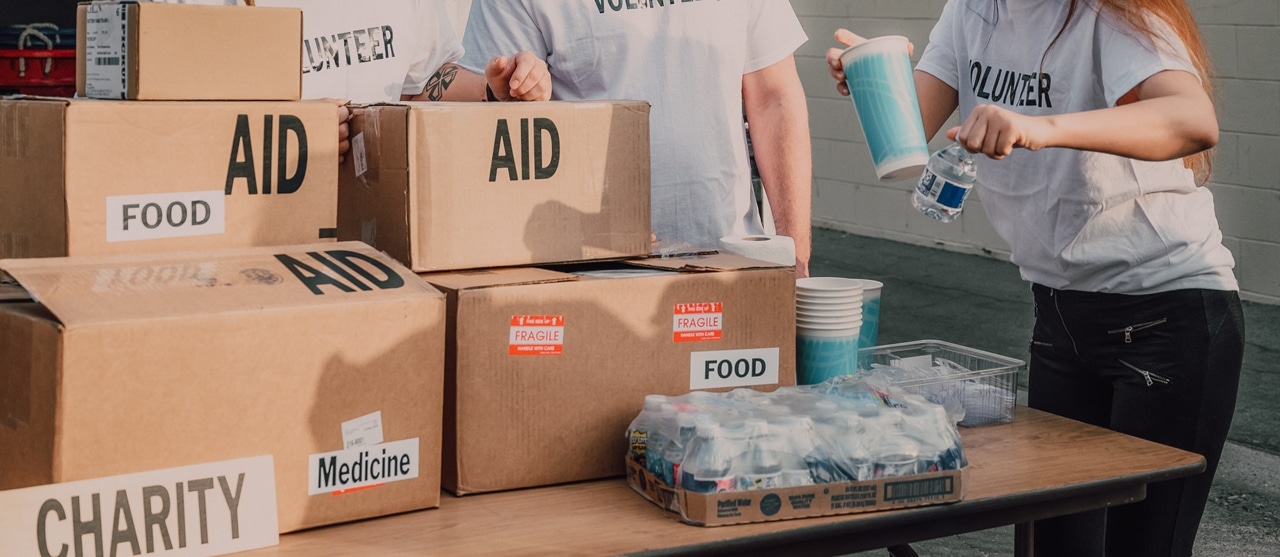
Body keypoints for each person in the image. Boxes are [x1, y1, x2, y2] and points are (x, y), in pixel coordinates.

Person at [826, 1, 1244, 556]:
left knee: (1144, 547)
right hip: (1060, 317)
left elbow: (1194, 121)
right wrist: (875, 79)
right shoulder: (974, 9)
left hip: (1166, 314)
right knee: (1052, 542)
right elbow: (912, 134)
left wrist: (1038, 128)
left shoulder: (1106, 13)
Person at [458, 0, 813, 277]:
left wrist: (796, 257)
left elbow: (774, 100)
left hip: (734, 259)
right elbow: (493, 122)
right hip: (588, 269)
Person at [145, 0, 552, 159]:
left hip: (374, 230)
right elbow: (160, 125)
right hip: (261, 232)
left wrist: (496, 89)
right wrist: (288, 130)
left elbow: (424, 80)